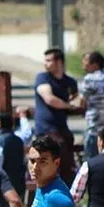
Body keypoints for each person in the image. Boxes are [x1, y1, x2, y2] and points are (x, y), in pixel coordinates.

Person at [33, 48, 79, 185]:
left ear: (59, 62)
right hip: (46, 129)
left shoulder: (69, 82)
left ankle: (67, 190)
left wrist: (74, 103)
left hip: (62, 128)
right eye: (45, 60)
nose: (45, 63)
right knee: (50, 166)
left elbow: (77, 98)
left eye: (49, 60)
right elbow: (49, 99)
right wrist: (68, 106)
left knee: (67, 163)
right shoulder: (43, 78)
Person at [79, 51, 104, 159]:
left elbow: (82, 102)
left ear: (95, 65)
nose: (83, 64)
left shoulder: (89, 78)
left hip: (95, 128)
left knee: (90, 161)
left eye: (86, 62)